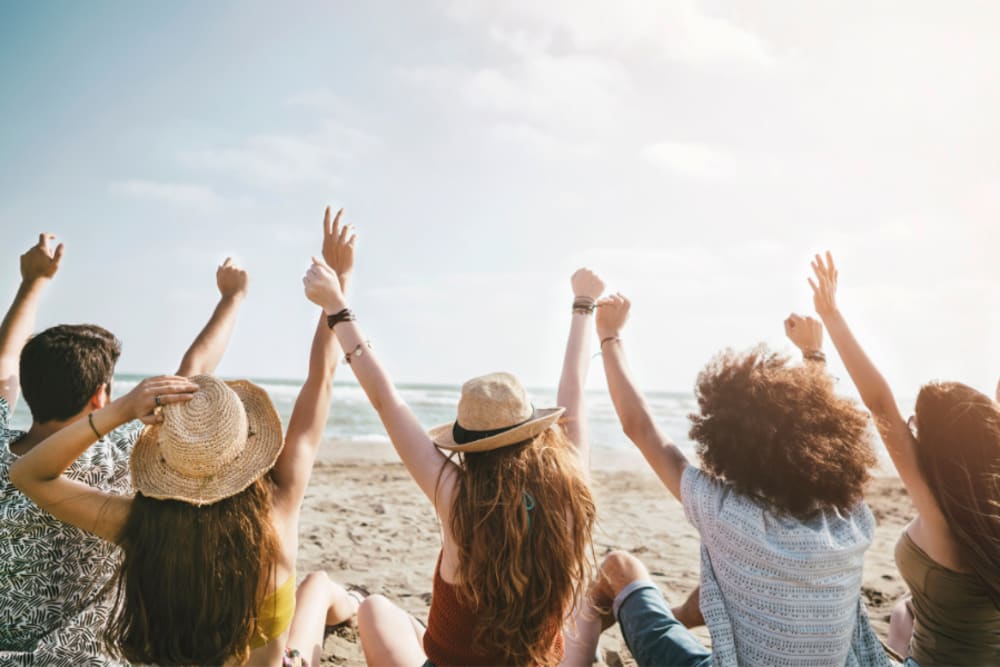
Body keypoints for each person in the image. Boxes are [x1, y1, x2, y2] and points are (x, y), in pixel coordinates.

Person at [11, 206, 360, 666]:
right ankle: (353, 602)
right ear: (247, 451)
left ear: (167, 459)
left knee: (320, 591)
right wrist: (339, 288)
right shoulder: (278, 511)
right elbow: (323, 377)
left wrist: (116, 411)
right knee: (317, 588)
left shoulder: (140, 525)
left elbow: (28, 474)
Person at [302, 251, 601, 667]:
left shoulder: (458, 500)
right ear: (535, 434)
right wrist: (583, 306)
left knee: (373, 611)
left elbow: (388, 403)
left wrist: (336, 307)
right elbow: (575, 398)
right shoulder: (569, 496)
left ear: (471, 450)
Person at [580, 291, 890, 667]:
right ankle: (677, 616)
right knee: (726, 582)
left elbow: (640, 427)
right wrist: (814, 356)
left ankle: (579, 652)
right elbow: (812, 426)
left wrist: (609, 335)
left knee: (619, 567)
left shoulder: (726, 513)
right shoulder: (851, 522)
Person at [0, 235, 249, 664]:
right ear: (101, 398)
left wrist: (33, 282)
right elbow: (194, 372)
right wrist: (233, 298)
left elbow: (4, 364)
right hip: (77, 658)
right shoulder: (122, 456)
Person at [809, 252, 1000, 665]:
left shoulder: (940, 512)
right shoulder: (992, 500)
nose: (908, 427)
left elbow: (879, 402)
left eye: (917, 424)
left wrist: (831, 316)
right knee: (902, 612)